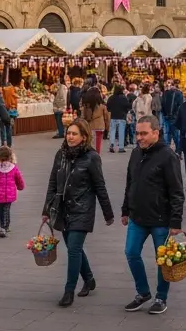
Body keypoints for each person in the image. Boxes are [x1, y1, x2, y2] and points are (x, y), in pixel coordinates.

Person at [43, 118, 114, 307]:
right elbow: (52, 182)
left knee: (74, 249)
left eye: (74, 134)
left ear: (84, 136)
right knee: (73, 247)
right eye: (68, 133)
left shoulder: (92, 157)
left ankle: (69, 291)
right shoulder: (61, 154)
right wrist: (46, 209)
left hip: (82, 209)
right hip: (63, 208)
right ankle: (89, 279)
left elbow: (100, 186)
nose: (70, 137)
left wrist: (108, 213)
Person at [121, 115, 185, 315]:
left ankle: (161, 297)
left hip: (160, 219)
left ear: (156, 133)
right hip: (137, 217)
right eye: (137, 133)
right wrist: (125, 210)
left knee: (162, 260)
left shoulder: (168, 156)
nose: (139, 137)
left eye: (144, 133)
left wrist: (175, 221)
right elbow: (130, 183)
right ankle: (143, 292)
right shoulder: (135, 153)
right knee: (131, 252)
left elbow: (177, 191)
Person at [82, 87, 110, 154]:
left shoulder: (86, 106)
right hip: (100, 126)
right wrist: (107, 127)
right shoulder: (102, 106)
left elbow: (83, 116)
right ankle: (97, 154)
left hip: (89, 126)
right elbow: (106, 118)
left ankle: (90, 154)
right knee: (98, 143)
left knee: (90, 142)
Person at [159, 80, 184, 150]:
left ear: (173, 85)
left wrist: (176, 116)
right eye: (167, 84)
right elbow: (163, 103)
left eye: (169, 84)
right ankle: (167, 150)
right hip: (166, 117)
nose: (167, 85)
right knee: (166, 135)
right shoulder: (165, 93)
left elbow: (180, 106)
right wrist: (164, 113)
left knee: (175, 135)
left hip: (174, 118)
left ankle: (178, 150)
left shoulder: (178, 93)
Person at [107, 85, 132, 154]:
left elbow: (108, 106)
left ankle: (112, 145)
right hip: (122, 117)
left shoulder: (111, 98)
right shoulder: (124, 98)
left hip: (113, 116)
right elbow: (128, 106)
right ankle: (121, 147)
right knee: (121, 132)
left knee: (112, 131)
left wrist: (111, 110)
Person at [0, 80, 19, 147]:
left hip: (3, 110)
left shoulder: (2, 91)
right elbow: (16, 102)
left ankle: (3, 143)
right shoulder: (13, 92)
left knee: (2, 128)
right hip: (11, 111)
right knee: (9, 128)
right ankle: (9, 144)